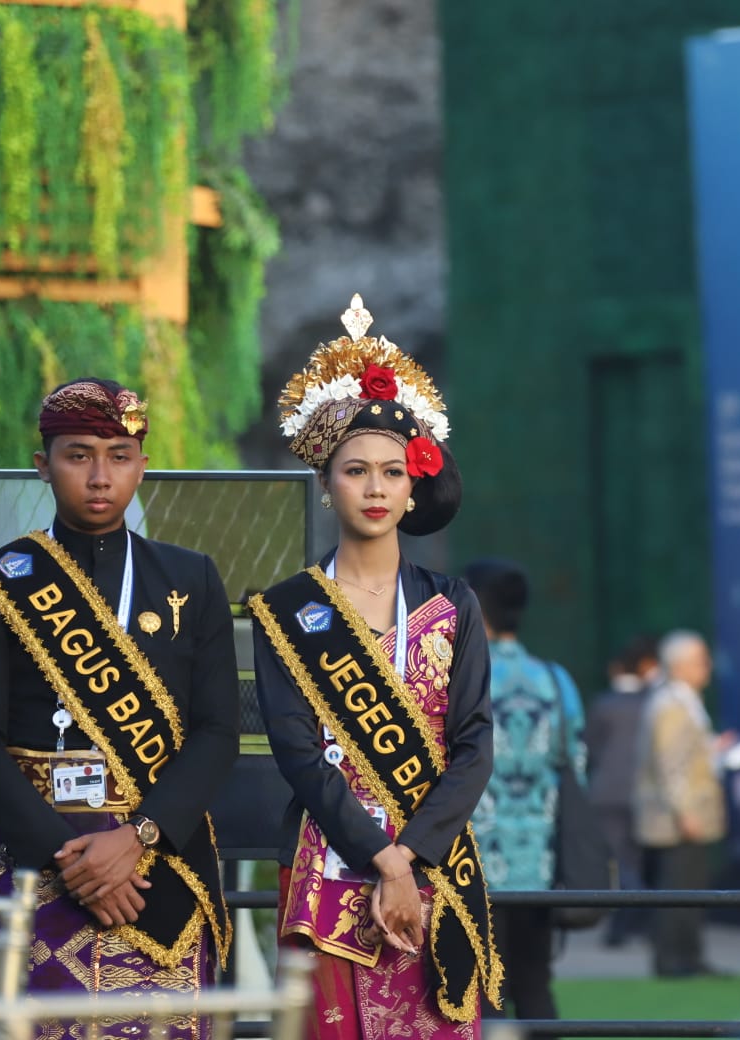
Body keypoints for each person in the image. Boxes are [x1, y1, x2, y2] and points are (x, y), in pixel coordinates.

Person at [0, 378, 238, 1031]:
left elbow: (218, 732)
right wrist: (69, 858)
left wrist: (138, 837)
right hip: (36, 860)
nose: (100, 476)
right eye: (78, 455)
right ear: (42, 465)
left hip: (161, 863)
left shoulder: (191, 579)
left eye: (119, 455)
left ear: (143, 463)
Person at [249, 295, 503, 1038]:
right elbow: (299, 753)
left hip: (435, 870)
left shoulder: (453, 604)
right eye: (355, 471)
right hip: (329, 865)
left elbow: (474, 744)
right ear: (327, 484)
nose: (374, 488)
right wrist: (382, 861)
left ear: (413, 484)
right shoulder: (289, 608)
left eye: (392, 472)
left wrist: (411, 858)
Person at [465, 557, 582, 1030]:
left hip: (473, 864)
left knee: (480, 993)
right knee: (535, 985)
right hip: (541, 865)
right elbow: (576, 769)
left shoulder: (462, 677)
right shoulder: (556, 680)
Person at [633, 629, 733, 977]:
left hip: (682, 816)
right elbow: (669, 765)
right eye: (700, 660)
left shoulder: (682, 701)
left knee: (688, 888)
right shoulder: (672, 705)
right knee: (677, 890)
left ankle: (688, 956)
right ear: (680, 666)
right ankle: (674, 960)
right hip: (676, 820)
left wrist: (713, 750)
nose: (707, 667)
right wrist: (685, 811)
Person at [585, 634, 658, 948]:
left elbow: (590, 748)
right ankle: (634, 920)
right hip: (643, 795)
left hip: (607, 794)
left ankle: (625, 920)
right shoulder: (652, 704)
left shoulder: (604, 705)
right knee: (635, 860)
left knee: (619, 862)